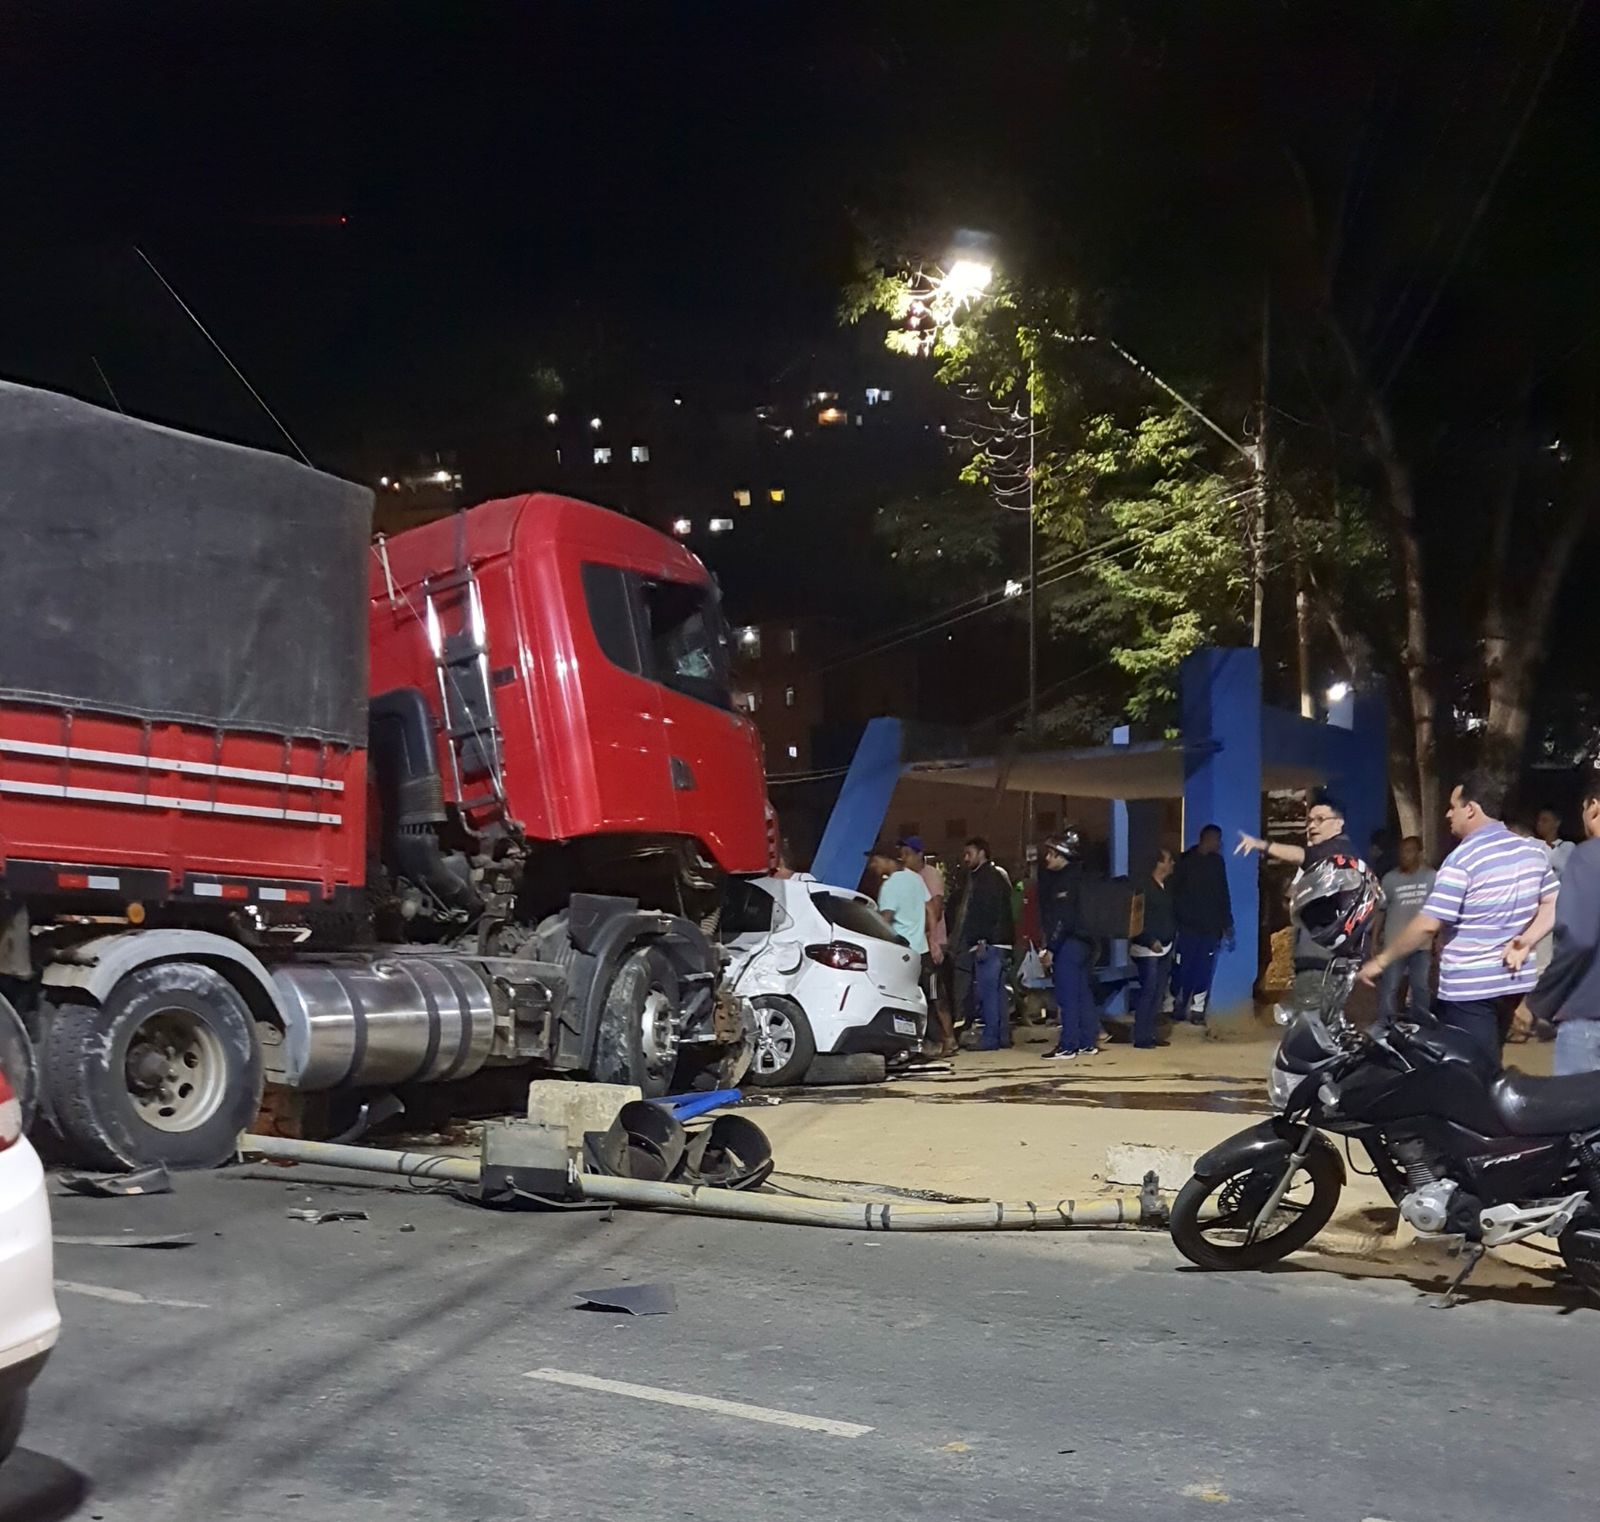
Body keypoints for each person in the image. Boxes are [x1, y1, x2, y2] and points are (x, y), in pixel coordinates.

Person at [1358, 773, 1558, 1061]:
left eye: (1453, 806)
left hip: (1469, 987)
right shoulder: (1530, 850)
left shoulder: (1462, 859)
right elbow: (1551, 902)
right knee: (1491, 1060)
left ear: (1472, 809)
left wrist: (1382, 960)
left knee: (1470, 1073)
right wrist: (1526, 941)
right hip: (1512, 984)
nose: (1447, 813)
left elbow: (1428, 924)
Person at [1237, 794, 1359, 1016]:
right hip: (1319, 957)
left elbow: (1300, 855)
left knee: (1310, 1027)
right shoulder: (1328, 857)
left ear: (1338, 823)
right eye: (1310, 820)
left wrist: (1262, 845)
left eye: (1320, 819)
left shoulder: (1334, 853)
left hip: (1321, 959)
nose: (1312, 825)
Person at [1527, 773, 1600, 1073]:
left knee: (1580, 1119)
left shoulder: (1588, 856)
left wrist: (1537, 1002)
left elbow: (1579, 938)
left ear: (1593, 807)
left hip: (1589, 1018)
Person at [1038, 831, 1099, 1061]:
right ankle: (1087, 1042)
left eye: (1051, 854)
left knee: (1068, 996)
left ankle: (1068, 1045)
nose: (1047, 859)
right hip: (1086, 942)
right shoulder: (1083, 876)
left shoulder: (1065, 880)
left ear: (1061, 855)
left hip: (1070, 944)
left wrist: (1051, 948)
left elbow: (1063, 919)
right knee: (1083, 993)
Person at [955, 836, 1014, 1051]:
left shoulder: (985, 878)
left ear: (982, 853)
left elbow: (985, 912)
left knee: (988, 992)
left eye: (969, 853)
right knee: (998, 993)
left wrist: (981, 940)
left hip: (989, 943)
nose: (966, 858)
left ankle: (991, 1038)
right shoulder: (997, 875)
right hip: (1001, 942)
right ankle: (1002, 1036)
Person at [1170, 824, 1234, 1024]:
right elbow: (1174, 894)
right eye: (1217, 839)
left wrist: (1227, 923)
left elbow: (1223, 893)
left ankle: (1197, 1010)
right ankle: (1177, 1003)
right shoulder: (1185, 861)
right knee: (1183, 967)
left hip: (1210, 929)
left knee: (1204, 970)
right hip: (1187, 927)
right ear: (1206, 838)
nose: (1218, 844)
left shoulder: (1217, 863)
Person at [900, 836, 954, 1057]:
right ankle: (934, 1040)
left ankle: (948, 1039)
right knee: (925, 995)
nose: (904, 859)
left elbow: (935, 909)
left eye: (907, 854)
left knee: (936, 995)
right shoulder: (907, 878)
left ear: (919, 854)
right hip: (915, 945)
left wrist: (932, 941)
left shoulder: (929, 876)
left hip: (932, 944)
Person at [1374, 835, 1436, 1018]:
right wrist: (1375, 941)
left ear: (1419, 853)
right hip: (1394, 944)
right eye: (1401, 852)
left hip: (1422, 944)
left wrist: (1439, 938)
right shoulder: (1389, 879)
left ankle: (1422, 1025)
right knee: (1390, 987)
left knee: (1421, 987)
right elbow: (1381, 911)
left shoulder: (1431, 877)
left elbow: (1439, 911)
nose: (1404, 856)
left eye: (1409, 851)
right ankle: (1386, 1025)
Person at [1129, 847, 1176, 1049]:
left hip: (1166, 946)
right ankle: (1141, 1036)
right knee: (1148, 991)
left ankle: (1151, 1032)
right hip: (1148, 949)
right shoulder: (1143, 888)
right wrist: (1149, 940)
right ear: (1159, 864)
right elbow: (1137, 919)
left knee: (1158, 993)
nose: (1172, 863)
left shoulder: (1166, 887)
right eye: (1169, 860)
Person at [1536, 807, 1575, 880]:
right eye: (1538, 820)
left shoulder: (1567, 847)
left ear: (1557, 823)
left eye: (1544, 820)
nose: (1539, 823)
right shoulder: (1536, 847)